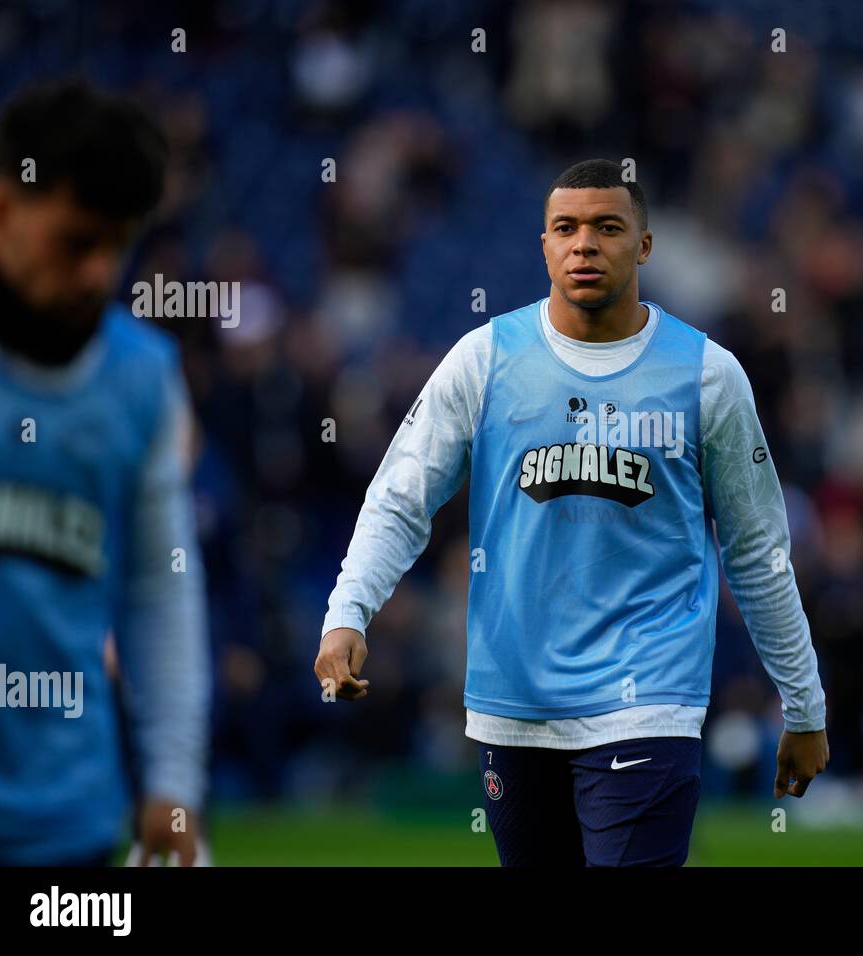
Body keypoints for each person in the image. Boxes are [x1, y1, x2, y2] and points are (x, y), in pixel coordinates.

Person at [317, 158, 828, 866]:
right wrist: (348, 614)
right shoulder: (484, 361)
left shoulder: (708, 375)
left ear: (644, 245)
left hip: (650, 700)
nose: (584, 244)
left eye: (607, 227)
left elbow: (757, 550)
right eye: (566, 228)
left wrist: (803, 704)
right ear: (545, 245)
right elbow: (400, 500)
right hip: (515, 703)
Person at [0, 80, 210, 866]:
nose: (98, 274)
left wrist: (173, 788)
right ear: (0, 213)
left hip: (68, 824)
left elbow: (160, 589)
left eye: (118, 247)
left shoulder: (143, 378)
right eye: (76, 242)